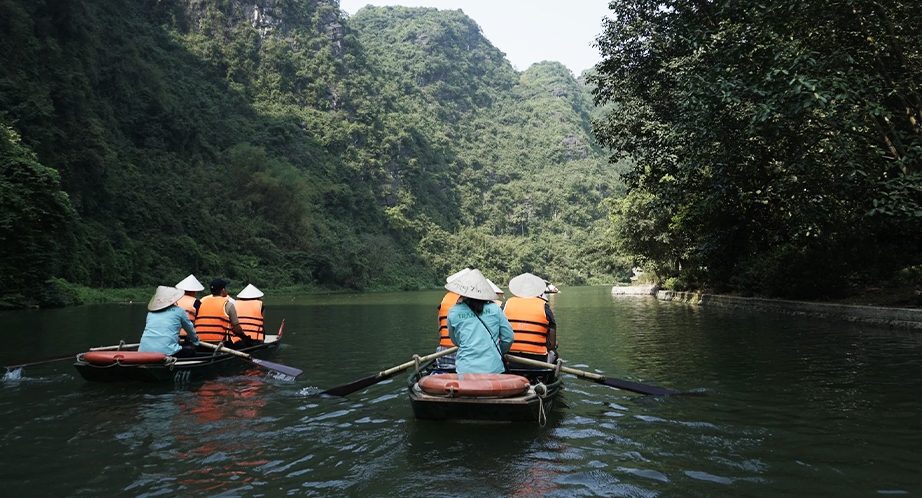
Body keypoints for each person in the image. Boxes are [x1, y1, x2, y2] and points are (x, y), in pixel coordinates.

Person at [446, 269, 514, 374]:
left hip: (465, 370)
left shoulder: (453, 311)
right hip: (493, 368)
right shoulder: (495, 308)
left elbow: (456, 341)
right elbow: (508, 338)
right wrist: (498, 351)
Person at [502, 272, 558, 366]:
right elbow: (551, 345)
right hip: (538, 362)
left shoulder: (504, 306)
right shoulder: (545, 308)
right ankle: (546, 378)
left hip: (509, 361)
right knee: (554, 353)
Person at [139, 286, 201, 357]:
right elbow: (190, 329)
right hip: (168, 351)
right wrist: (196, 341)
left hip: (143, 350)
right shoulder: (179, 311)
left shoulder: (150, 313)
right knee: (191, 351)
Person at [195, 278, 252, 347]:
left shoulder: (201, 303)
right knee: (245, 342)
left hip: (201, 341)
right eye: (226, 287)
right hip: (221, 342)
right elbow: (236, 327)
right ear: (223, 290)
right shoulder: (228, 304)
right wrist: (244, 336)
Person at [435, 268, 470, 369]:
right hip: (464, 354)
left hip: (442, 352)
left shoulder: (444, 301)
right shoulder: (472, 301)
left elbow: (440, 330)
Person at [174, 274, 204, 343]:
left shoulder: (174, 300)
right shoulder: (196, 302)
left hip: (173, 334)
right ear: (194, 291)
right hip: (187, 335)